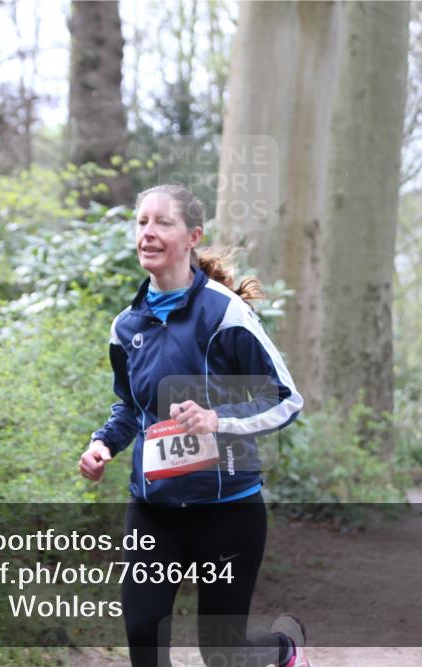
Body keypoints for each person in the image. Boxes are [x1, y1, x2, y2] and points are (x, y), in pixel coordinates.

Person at [79, 184, 309, 667]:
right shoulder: (126, 326)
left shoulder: (225, 313)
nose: (148, 233)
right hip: (154, 508)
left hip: (226, 511)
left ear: (192, 236)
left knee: (223, 653)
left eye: (163, 222)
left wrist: (217, 420)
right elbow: (130, 407)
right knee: (143, 634)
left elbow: (285, 399)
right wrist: (104, 443)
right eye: (142, 222)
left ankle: (285, 651)